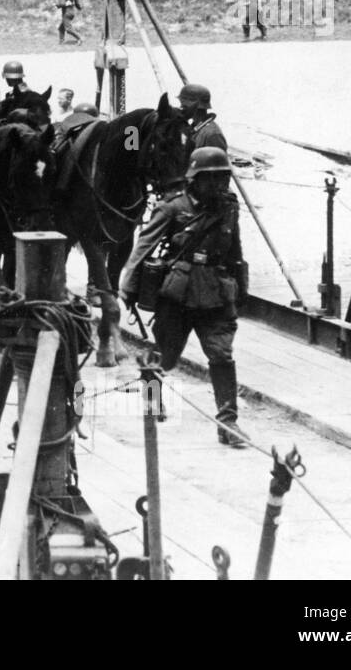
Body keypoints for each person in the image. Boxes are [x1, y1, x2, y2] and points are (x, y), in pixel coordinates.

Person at [119, 146, 249, 448]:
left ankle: (228, 422)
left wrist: (241, 288)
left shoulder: (229, 207)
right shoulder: (173, 208)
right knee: (166, 355)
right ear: (194, 179)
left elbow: (235, 249)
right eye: (210, 179)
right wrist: (127, 286)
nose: (218, 185)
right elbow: (144, 246)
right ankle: (152, 399)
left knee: (221, 355)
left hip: (216, 292)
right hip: (177, 294)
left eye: (222, 178)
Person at [177, 83, 228, 166]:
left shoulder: (212, 134)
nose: (181, 108)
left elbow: (218, 169)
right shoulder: (195, 128)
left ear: (193, 108)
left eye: (184, 106)